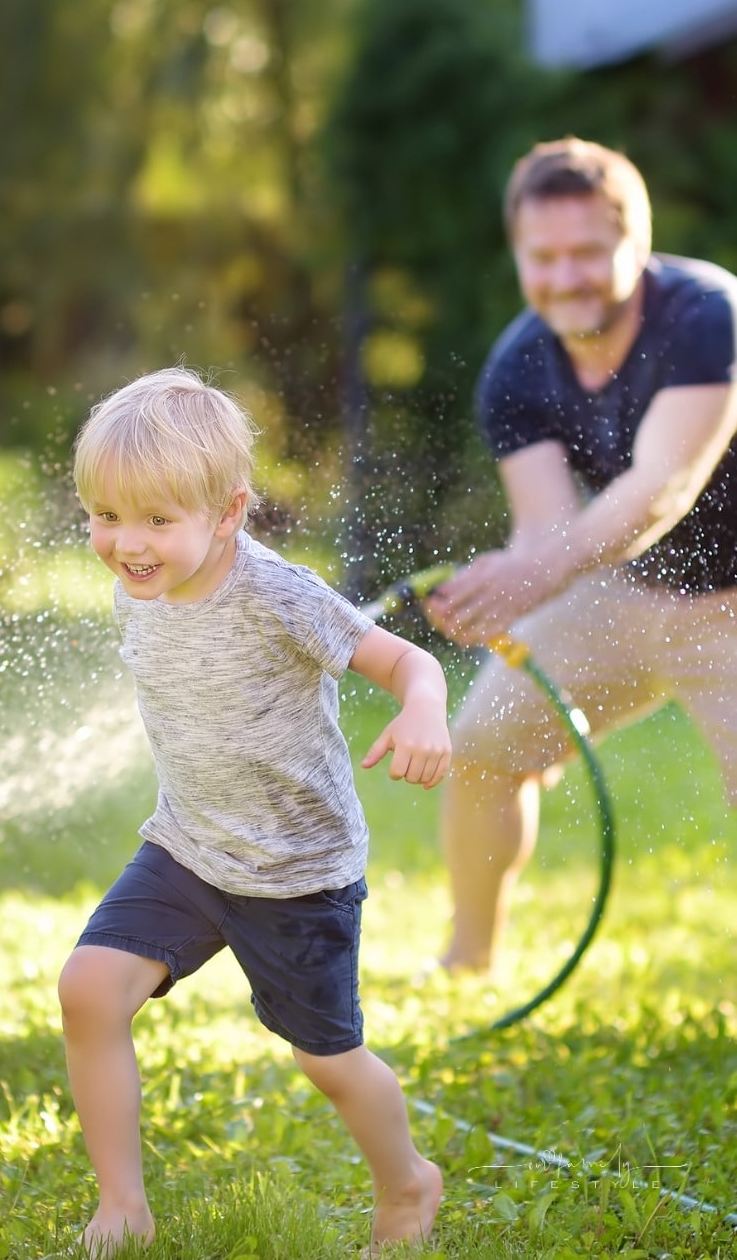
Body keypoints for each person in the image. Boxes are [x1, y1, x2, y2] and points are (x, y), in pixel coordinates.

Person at [57, 366, 451, 1256]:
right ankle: (123, 1204)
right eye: (107, 516)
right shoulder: (139, 579)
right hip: (190, 850)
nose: (128, 544)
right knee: (88, 991)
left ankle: (408, 1184)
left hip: (297, 874)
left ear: (229, 514)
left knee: (330, 1061)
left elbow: (408, 667)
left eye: (158, 520)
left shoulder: (281, 596)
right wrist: (145, 540)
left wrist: (424, 709)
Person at [424, 136, 737, 974]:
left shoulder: (710, 317)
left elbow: (664, 487)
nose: (567, 278)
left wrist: (538, 571)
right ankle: (468, 960)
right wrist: (494, 593)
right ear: (520, 255)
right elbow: (547, 532)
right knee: (485, 745)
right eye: (544, 257)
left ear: (637, 242)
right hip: (631, 588)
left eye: (590, 253)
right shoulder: (517, 368)